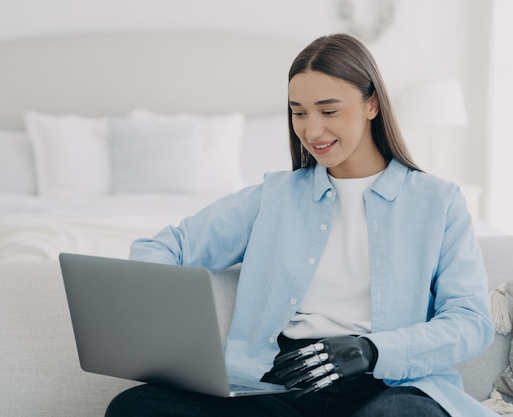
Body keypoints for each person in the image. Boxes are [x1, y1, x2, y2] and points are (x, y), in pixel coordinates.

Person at [104, 33, 495, 417]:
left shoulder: (438, 202)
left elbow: (470, 322)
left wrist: (373, 350)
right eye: (298, 112)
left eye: (329, 111)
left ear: (371, 104)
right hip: (280, 386)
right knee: (134, 408)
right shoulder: (273, 197)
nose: (311, 131)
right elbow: (165, 246)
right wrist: (166, 311)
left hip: (387, 385)